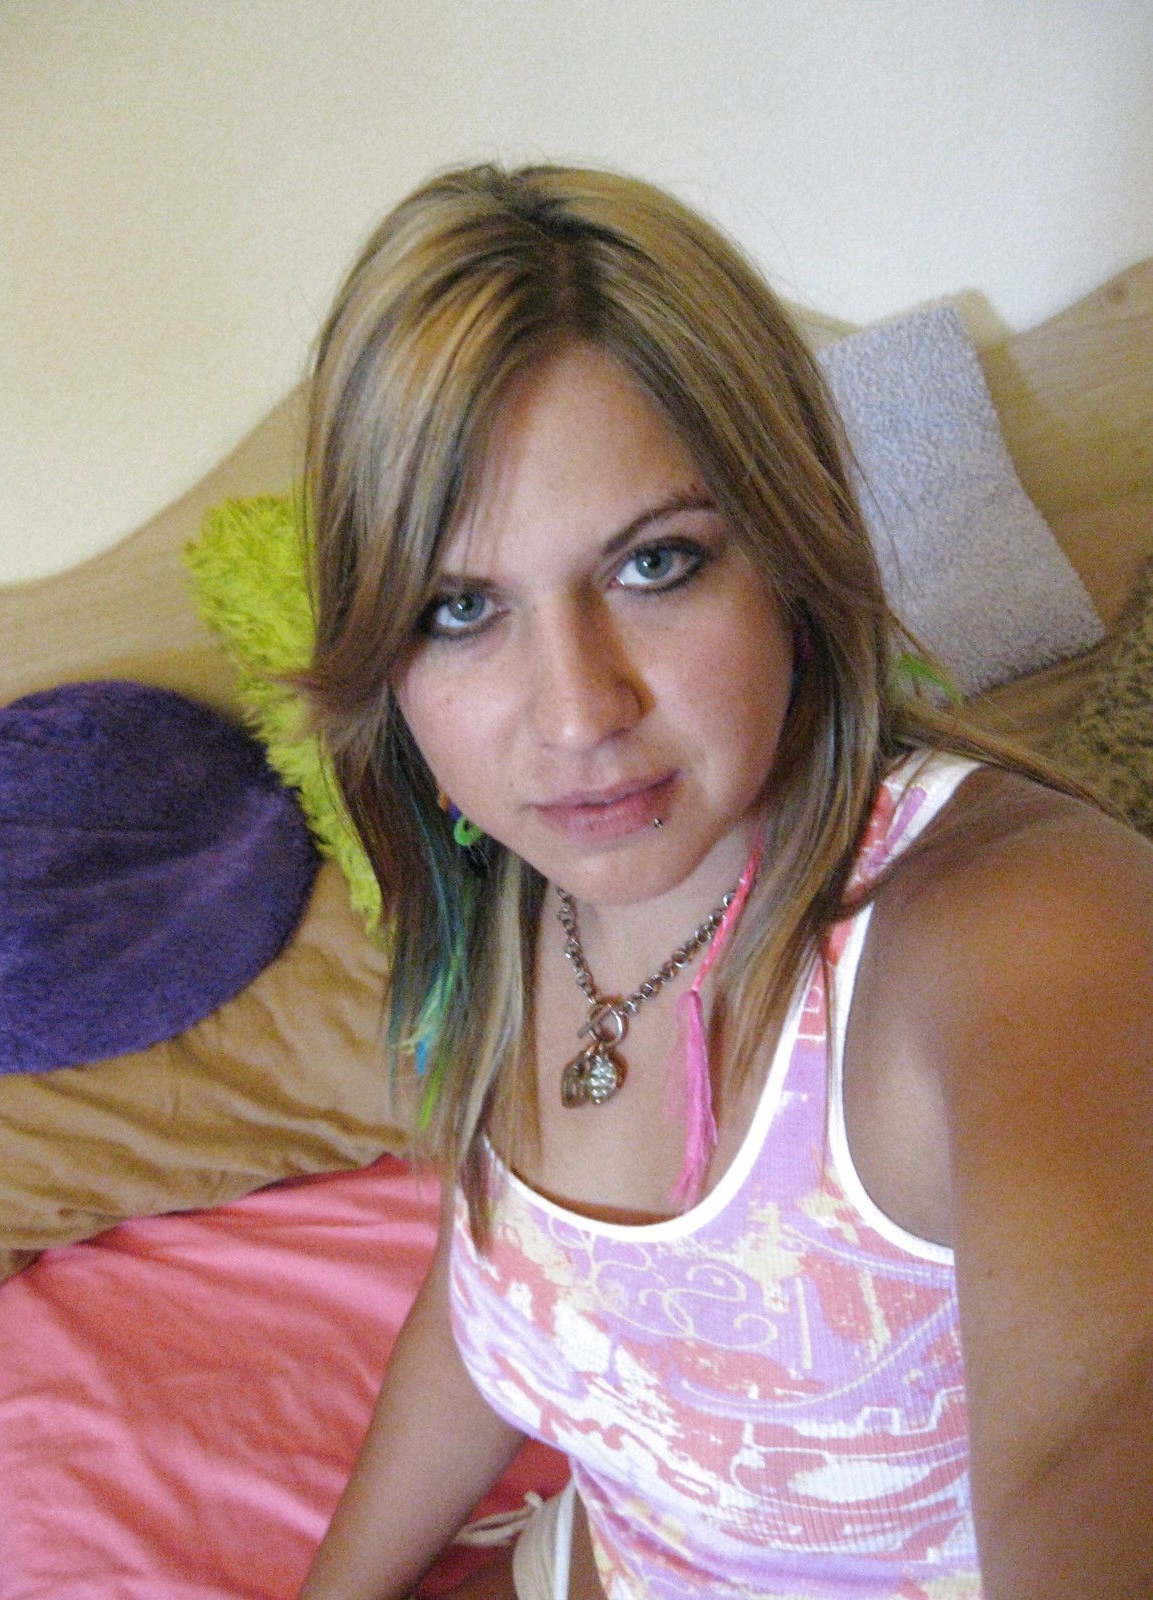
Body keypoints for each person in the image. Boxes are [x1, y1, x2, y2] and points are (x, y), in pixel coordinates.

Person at [295, 164, 1153, 1600]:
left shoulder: (1033, 939)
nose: (578, 715)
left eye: (656, 564)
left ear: (792, 560)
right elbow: (501, 1283)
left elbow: (1092, 1450)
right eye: (461, 608)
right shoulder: (513, 900)